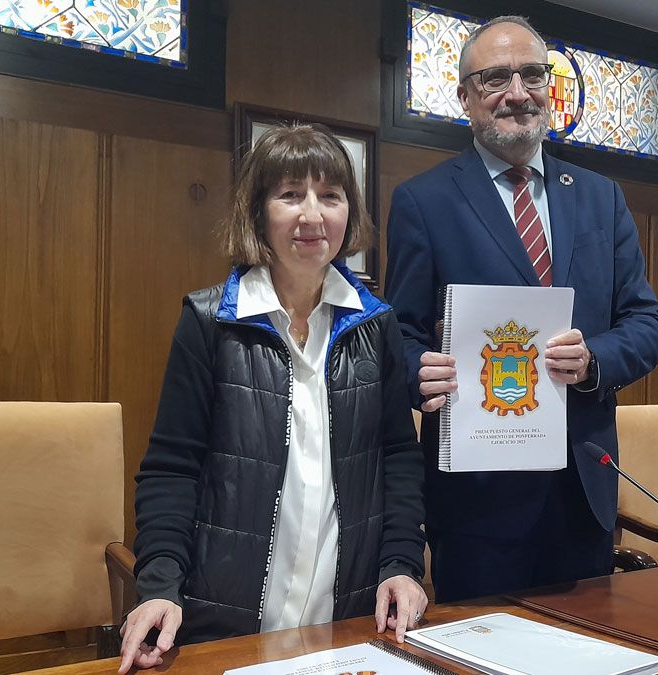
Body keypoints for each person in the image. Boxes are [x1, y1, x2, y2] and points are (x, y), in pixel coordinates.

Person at [119, 124, 427, 673]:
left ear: (348, 214)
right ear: (258, 212)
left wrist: (402, 564)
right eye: (290, 194)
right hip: (228, 622)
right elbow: (172, 469)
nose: (312, 215)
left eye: (330, 196)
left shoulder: (377, 326)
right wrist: (159, 585)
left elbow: (398, 459)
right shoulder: (210, 322)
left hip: (349, 621)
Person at [384, 16, 658, 603]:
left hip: (581, 493)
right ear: (465, 97)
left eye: (532, 74)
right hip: (477, 502)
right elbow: (399, 336)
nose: (518, 92)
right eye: (494, 78)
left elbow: (647, 325)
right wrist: (420, 371)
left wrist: (593, 358)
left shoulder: (600, 196)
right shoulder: (423, 201)